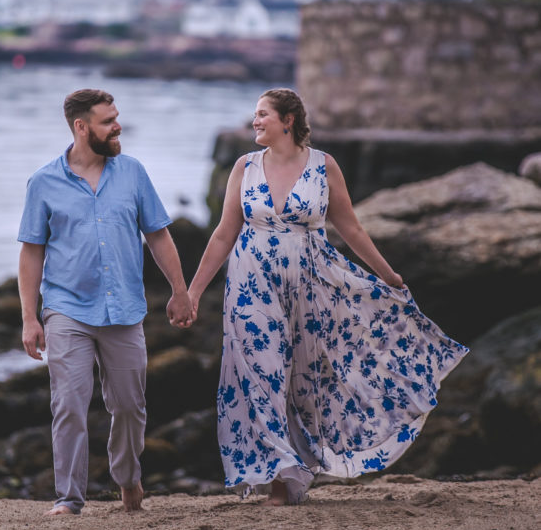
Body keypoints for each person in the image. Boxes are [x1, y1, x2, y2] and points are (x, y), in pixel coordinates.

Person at [188, 88, 468, 505]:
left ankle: (296, 470)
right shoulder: (245, 167)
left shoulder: (323, 166)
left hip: (312, 288)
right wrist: (192, 292)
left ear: (287, 120)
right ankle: (280, 475)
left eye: (262, 114)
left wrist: (387, 274)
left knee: (305, 380)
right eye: (255, 115)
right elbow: (224, 233)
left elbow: (351, 228)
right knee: (260, 374)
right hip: (250, 285)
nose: (254, 121)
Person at [18, 88, 193, 515]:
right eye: (107, 121)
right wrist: (29, 317)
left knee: (130, 406)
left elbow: (157, 234)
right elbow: (32, 251)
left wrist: (180, 290)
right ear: (81, 127)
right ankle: (69, 497)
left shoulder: (132, 173)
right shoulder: (44, 182)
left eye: (117, 118)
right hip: (66, 308)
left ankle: (128, 478)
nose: (117, 126)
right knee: (70, 403)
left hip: (125, 309)